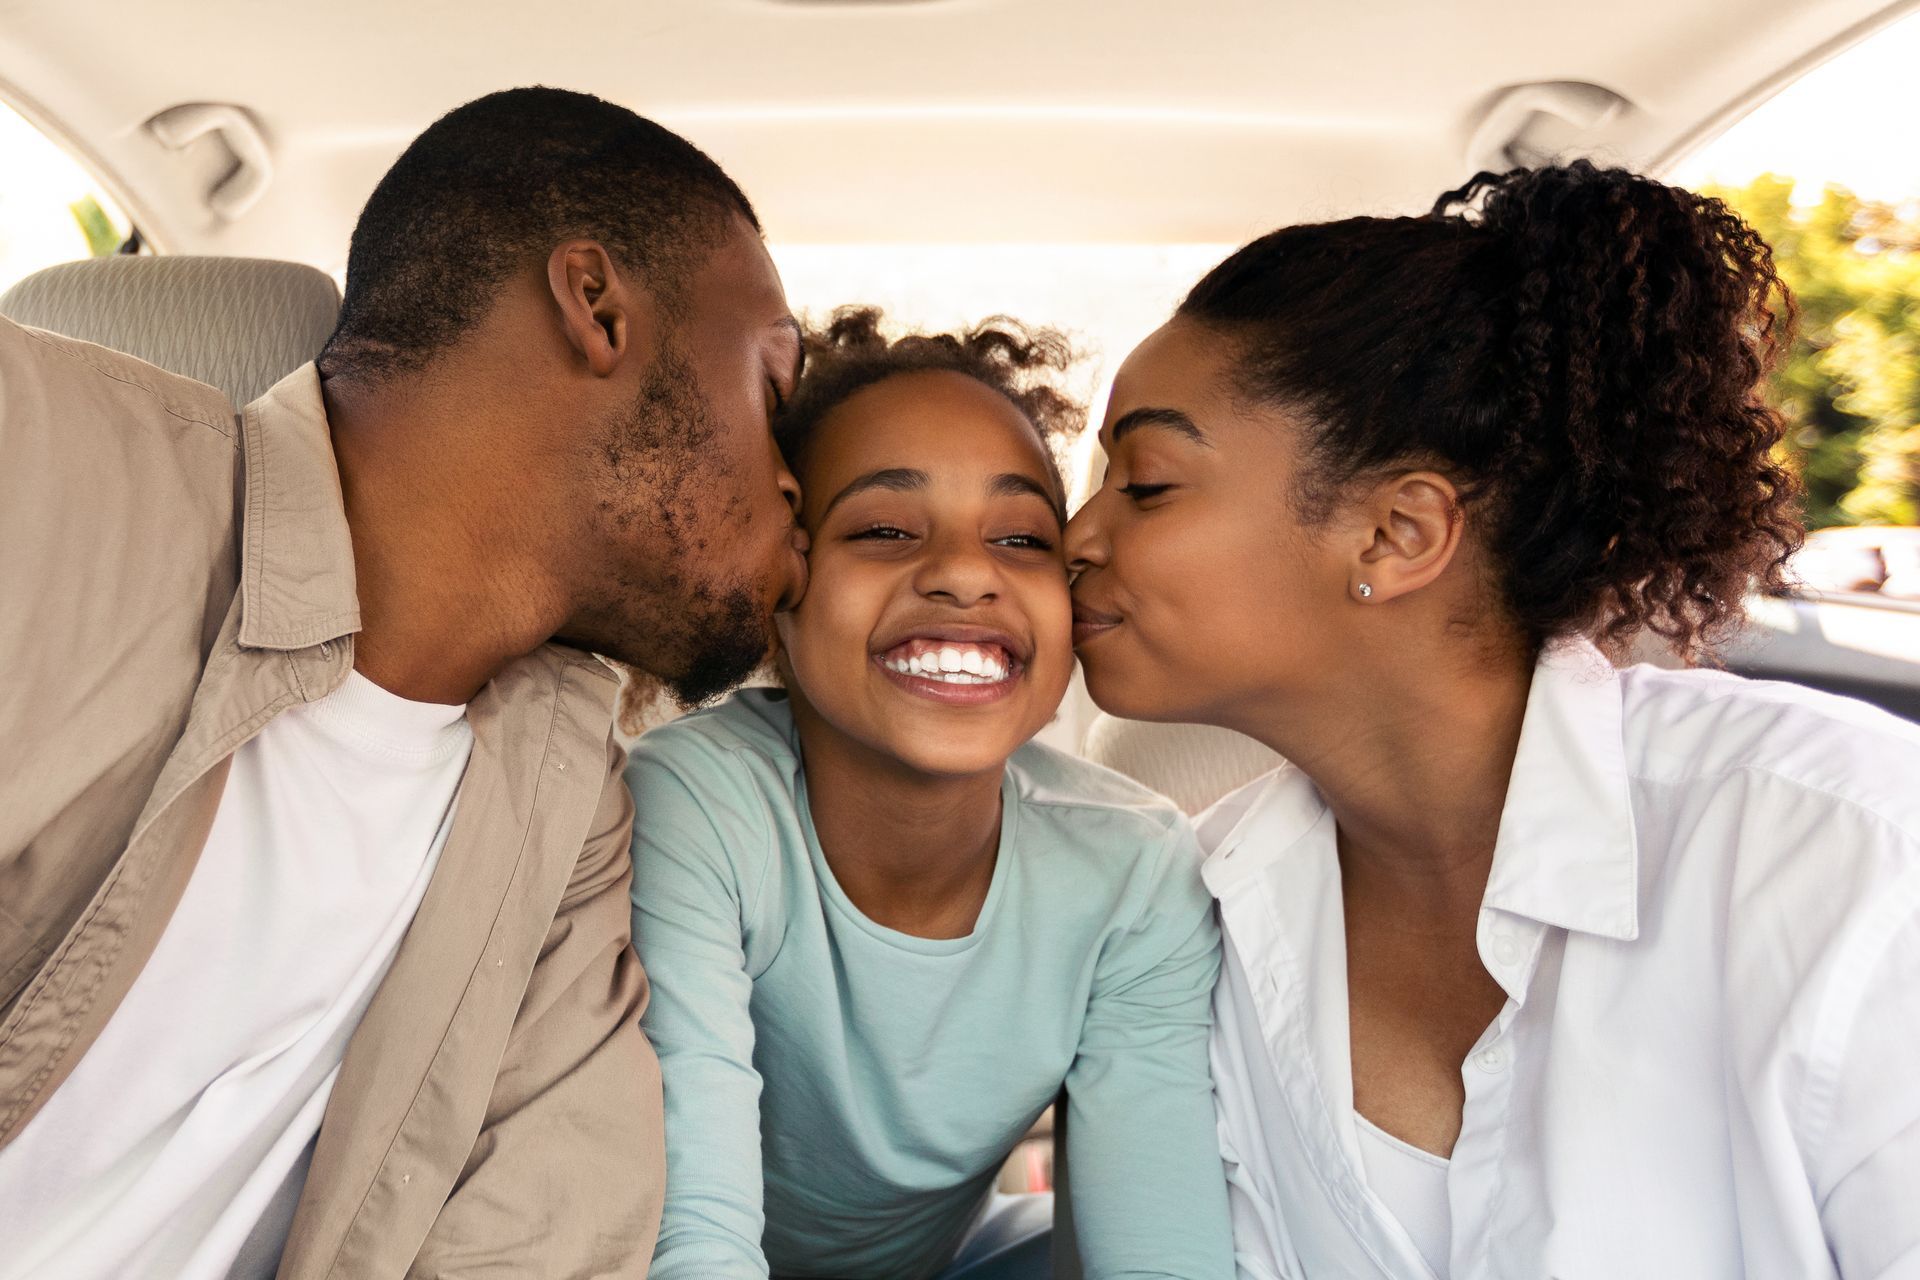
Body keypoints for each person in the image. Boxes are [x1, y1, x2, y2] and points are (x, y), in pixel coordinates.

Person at [0, 86, 807, 1279]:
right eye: (776, 396)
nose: (796, 485)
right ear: (595, 306)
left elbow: (546, 1242)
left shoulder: (565, 816)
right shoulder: (45, 470)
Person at [1065, 161, 1920, 1278]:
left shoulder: (1845, 853)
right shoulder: (1195, 920)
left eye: (1146, 482)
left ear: (1397, 533)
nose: (1075, 535)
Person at [626, 308, 1235, 1280]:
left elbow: (1157, 1244)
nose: (961, 570)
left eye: (1023, 537)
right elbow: (691, 1227)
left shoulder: (1134, 867)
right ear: (780, 596)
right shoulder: (697, 804)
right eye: (884, 528)